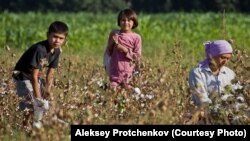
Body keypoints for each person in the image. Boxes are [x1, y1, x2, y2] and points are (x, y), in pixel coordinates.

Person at [12, 21, 69, 129]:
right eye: (55, 37)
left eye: (61, 38)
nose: (57, 40)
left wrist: (48, 91)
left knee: (45, 103)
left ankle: (37, 125)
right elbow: (33, 75)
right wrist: (38, 98)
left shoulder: (57, 51)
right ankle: (26, 128)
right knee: (31, 105)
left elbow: (51, 73)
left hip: (37, 77)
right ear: (48, 35)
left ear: (65, 39)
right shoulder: (40, 49)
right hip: (23, 77)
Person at [103, 8, 142, 90]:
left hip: (128, 74)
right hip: (115, 72)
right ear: (119, 21)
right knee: (112, 92)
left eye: (129, 20)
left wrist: (125, 50)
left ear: (134, 22)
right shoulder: (114, 34)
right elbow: (108, 52)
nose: (126, 23)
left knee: (128, 92)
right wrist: (112, 43)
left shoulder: (136, 38)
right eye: (123, 20)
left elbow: (137, 57)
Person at [188, 40, 235, 107]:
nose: (225, 61)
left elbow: (237, 95)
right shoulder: (197, 73)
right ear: (212, 55)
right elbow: (202, 99)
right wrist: (218, 112)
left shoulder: (230, 73)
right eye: (223, 57)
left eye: (228, 59)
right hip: (205, 114)